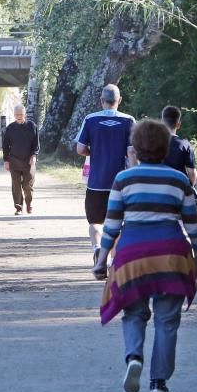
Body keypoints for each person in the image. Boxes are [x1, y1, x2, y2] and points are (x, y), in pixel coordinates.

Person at [92, 119, 197, 392]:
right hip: (172, 255)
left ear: (136, 149)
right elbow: (193, 226)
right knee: (167, 320)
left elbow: (111, 225)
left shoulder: (123, 179)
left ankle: (134, 357)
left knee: (134, 312)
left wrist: (101, 259)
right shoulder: (179, 180)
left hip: (132, 255)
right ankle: (158, 382)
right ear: (165, 147)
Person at [75, 83, 136, 266]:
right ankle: (114, 263)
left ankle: (97, 250)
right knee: (117, 224)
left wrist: (92, 152)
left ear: (102, 100)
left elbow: (80, 149)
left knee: (95, 222)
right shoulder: (128, 121)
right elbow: (132, 153)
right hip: (120, 184)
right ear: (119, 100)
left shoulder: (90, 120)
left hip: (96, 183)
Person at [2, 103, 40, 215]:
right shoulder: (10, 128)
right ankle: (18, 207)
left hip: (28, 161)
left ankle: (29, 203)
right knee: (16, 185)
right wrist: (6, 160)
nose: (19, 116)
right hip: (14, 161)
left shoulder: (32, 126)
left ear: (24, 114)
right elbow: (5, 146)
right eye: (17, 114)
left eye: (21, 114)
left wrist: (34, 156)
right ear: (14, 115)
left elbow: (36, 144)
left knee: (28, 185)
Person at [161, 105, 197, 186]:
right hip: (178, 188)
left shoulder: (151, 143)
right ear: (178, 124)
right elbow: (192, 173)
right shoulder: (185, 145)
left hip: (157, 187)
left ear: (162, 123)